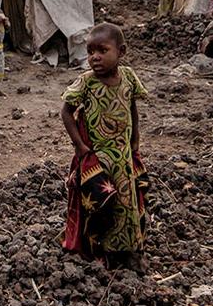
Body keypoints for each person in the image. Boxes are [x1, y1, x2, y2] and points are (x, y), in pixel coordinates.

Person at [60, 23, 149, 269]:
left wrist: (135, 140)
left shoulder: (128, 77)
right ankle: (100, 249)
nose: (95, 57)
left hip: (123, 157)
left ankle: (129, 250)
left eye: (102, 50)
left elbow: (132, 108)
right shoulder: (86, 83)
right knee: (100, 203)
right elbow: (66, 112)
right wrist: (79, 146)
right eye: (90, 52)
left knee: (127, 203)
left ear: (121, 52)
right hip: (98, 156)